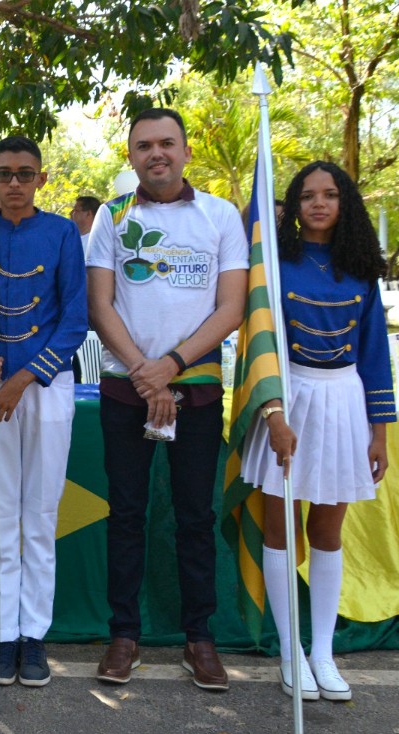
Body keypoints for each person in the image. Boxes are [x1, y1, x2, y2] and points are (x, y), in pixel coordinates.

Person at [87, 108, 248, 691]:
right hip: (124, 389)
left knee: (194, 518)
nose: (156, 153)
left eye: (166, 143)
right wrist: (142, 372)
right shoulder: (113, 215)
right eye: (143, 145)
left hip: (198, 388)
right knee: (126, 516)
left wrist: (171, 368)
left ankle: (199, 639)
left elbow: (231, 307)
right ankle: (123, 635)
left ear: (185, 151)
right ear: (130, 156)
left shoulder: (220, 216)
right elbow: (100, 306)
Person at [240, 162, 394, 701]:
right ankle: (289, 652)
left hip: (344, 401)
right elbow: (257, 346)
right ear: (294, 205)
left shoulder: (360, 269)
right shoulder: (274, 267)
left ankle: (322, 652)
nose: (319, 204)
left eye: (330, 195)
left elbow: (375, 356)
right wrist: (273, 414)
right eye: (308, 196)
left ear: (344, 202)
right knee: (282, 529)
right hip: (287, 398)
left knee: (327, 532)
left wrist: (380, 433)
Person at [0, 137, 86, 686]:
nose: (14, 183)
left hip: (45, 388)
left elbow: (75, 318)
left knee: (38, 516)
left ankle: (34, 636)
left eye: (25, 174)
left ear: (40, 179)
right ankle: (2, 634)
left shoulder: (61, 233)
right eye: (4, 174)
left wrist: (25, 376)